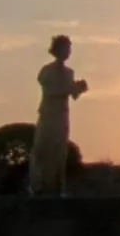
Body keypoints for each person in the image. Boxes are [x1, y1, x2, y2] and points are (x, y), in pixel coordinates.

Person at [29, 35, 88, 196]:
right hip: (49, 113)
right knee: (42, 148)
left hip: (62, 115)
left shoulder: (69, 72)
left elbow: (71, 94)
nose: (67, 51)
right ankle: (38, 185)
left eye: (69, 48)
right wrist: (70, 88)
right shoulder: (46, 71)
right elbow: (51, 91)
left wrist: (79, 88)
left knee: (60, 151)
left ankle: (57, 186)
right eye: (65, 48)